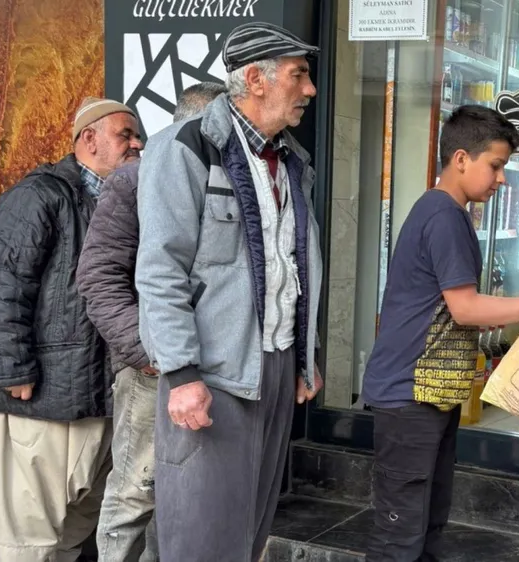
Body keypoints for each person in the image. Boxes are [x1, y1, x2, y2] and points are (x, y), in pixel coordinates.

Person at [362, 105, 519, 562]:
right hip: (410, 395)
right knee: (400, 537)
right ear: (461, 159)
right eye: (496, 165)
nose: (501, 179)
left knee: (426, 525)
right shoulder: (444, 216)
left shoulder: (445, 211)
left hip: (428, 393)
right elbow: (466, 309)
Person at [134, 23, 323, 562]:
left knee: (250, 531)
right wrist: (181, 374)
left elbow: (293, 263)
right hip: (211, 374)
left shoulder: (291, 160)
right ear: (256, 80)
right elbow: (160, 270)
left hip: (276, 366)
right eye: (298, 75)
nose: (309, 90)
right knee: (202, 536)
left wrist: (304, 357)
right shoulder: (185, 147)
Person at [77, 82, 228, 562]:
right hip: (153, 373)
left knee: (188, 499)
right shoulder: (135, 179)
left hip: (217, 370)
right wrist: (151, 354)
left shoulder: (232, 177)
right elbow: (98, 277)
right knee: (135, 494)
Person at [0, 97, 142, 562]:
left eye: (138, 136)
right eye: (126, 134)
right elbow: (3, 282)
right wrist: (12, 369)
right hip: (43, 400)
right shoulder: (40, 195)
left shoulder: (128, 200)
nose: (137, 144)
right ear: (88, 139)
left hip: (103, 398)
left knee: (76, 528)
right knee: (29, 536)